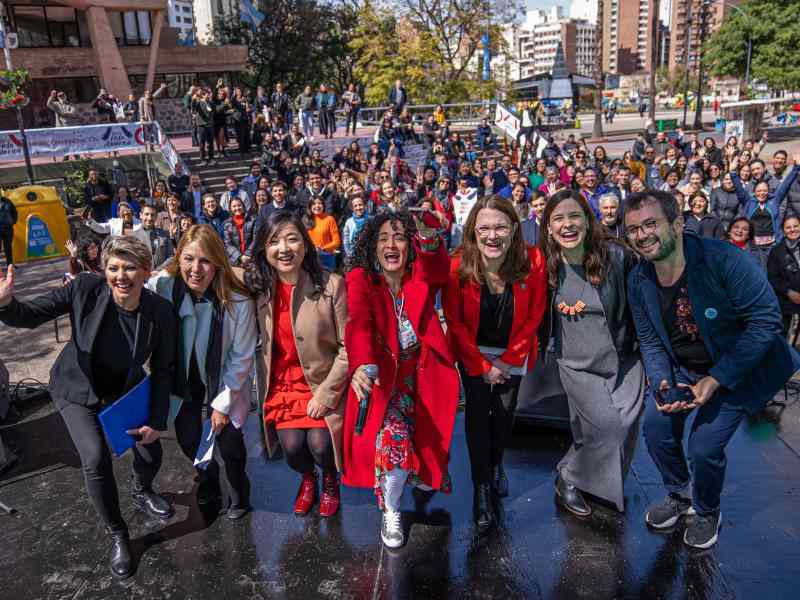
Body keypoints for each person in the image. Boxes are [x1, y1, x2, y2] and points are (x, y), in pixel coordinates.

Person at [624, 190, 800, 549]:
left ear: (676, 223)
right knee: (657, 427)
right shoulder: (638, 278)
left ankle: (706, 510)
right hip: (684, 367)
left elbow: (766, 321)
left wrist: (716, 379)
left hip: (738, 366)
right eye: (633, 229)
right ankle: (679, 493)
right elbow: (652, 341)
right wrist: (661, 383)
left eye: (650, 224)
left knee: (704, 445)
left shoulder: (722, 260)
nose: (642, 235)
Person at [0, 237, 177, 579]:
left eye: (129, 268)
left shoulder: (160, 312)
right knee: (95, 458)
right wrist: (6, 303)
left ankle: (142, 490)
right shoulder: (85, 288)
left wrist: (156, 420)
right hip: (75, 387)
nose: (120, 276)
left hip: (123, 390)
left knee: (150, 451)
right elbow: (31, 315)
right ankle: (118, 533)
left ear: (145, 271)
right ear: (104, 269)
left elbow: (164, 368)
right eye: (113, 268)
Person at [343, 210, 458, 549]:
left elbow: (438, 265)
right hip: (383, 381)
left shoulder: (418, 277)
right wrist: (362, 364)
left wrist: (427, 228)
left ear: (410, 245)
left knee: (429, 453)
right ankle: (391, 509)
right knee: (393, 444)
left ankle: (423, 474)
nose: (391, 245)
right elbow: (358, 324)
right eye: (382, 238)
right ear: (371, 247)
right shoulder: (362, 280)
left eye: (399, 237)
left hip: (423, 377)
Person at [442, 196, 546, 532]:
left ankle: (497, 463)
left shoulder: (533, 259)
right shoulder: (457, 264)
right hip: (473, 352)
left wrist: (507, 359)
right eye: (484, 227)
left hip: (513, 351)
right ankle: (481, 489)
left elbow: (535, 315)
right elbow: (455, 323)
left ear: (514, 228)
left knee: (503, 416)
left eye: (500, 226)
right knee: (476, 418)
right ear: (472, 231)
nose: (492, 235)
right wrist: (482, 365)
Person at [539, 190, 644, 517]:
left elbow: (641, 304)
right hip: (575, 363)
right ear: (548, 227)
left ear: (588, 220)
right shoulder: (545, 264)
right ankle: (569, 476)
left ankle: (588, 480)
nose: (567, 225)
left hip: (622, 355)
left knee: (626, 423)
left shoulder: (618, 256)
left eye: (574, 216)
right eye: (558, 218)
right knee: (604, 425)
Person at [245, 209, 348, 517]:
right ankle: (308, 479)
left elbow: (348, 348)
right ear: (264, 248)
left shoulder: (332, 286)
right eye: (275, 241)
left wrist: (326, 394)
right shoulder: (259, 289)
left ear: (306, 244)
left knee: (319, 444)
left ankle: (330, 480)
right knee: (291, 449)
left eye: (292, 239)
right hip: (284, 386)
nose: (284, 249)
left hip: (322, 382)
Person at [148, 225, 256, 518]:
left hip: (224, 382)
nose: (196, 269)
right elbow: (130, 288)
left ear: (218, 263)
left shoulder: (238, 300)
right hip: (184, 381)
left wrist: (221, 404)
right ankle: (207, 479)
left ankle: (239, 491)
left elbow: (242, 356)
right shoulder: (163, 287)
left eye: (206, 260)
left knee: (229, 440)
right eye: (189, 258)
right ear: (178, 256)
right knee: (188, 438)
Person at [729, 155, 800, 269]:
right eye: (759, 190)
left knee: (774, 271)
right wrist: (733, 173)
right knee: (758, 271)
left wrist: (796, 168)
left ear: (768, 192)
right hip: (754, 246)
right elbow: (739, 189)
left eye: (764, 190)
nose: (762, 193)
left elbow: (785, 186)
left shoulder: (774, 201)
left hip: (773, 245)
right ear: (754, 192)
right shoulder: (749, 202)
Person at [767, 214, 800, 334]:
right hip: (787, 302)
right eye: (788, 227)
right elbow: (772, 277)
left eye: (795, 226)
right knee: (786, 337)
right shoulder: (776, 251)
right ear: (783, 230)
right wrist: (788, 292)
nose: (792, 230)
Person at [306, 197, 341, 271]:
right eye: (314, 204)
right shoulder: (306, 220)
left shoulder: (329, 219)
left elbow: (336, 242)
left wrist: (322, 248)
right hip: (311, 258)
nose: (317, 206)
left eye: (319, 203)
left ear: (324, 206)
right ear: (310, 206)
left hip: (327, 257)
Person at [135, 203, 174, 269]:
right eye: (146, 214)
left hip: (161, 275)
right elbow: (132, 259)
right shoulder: (134, 236)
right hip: (141, 276)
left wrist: (158, 271)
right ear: (141, 215)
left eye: (152, 215)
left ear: (156, 217)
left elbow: (171, 257)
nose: (149, 218)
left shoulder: (165, 235)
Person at [222, 197, 256, 267]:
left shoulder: (252, 220)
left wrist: (247, 254)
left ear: (243, 206)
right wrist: (240, 257)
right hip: (236, 260)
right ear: (230, 208)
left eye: (239, 205)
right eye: (234, 206)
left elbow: (256, 239)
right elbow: (228, 244)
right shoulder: (227, 224)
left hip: (252, 258)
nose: (237, 208)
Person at [0, 195, 17, 268]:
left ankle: (10, 265)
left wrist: (13, 221)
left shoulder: (7, 201)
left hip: (8, 228)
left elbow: (14, 212)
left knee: (8, 247)